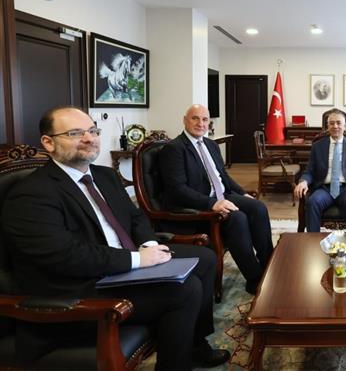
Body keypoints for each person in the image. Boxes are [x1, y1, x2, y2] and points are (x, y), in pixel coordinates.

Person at [0, 106, 229, 370]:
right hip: (80, 290)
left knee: (205, 259)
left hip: (120, 265)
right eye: (75, 133)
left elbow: (135, 217)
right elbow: (65, 256)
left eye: (93, 131)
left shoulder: (104, 175)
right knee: (185, 291)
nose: (89, 138)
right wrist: (138, 260)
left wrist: (150, 245)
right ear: (48, 142)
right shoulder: (31, 193)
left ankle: (194, 346)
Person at [159, 104, 273, 295]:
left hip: (222, 195)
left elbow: (223, 177)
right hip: (199, 206)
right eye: (195, 118)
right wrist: (212, 203)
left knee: (258, 207)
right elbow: (177, 190)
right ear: (185, 120)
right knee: (238, 218)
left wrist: (242, 193)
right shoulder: (174, 149)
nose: (201, 123)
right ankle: (254, 278)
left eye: (205, 119)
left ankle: (269, 265)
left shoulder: (211, 145)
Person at [294, 108, 346, 231]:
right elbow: (310, 170)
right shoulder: (318, 146)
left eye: (339, 123)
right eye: (331, 123)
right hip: (324, 188)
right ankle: (313, 240)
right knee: (313, 202)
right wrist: (303, 182)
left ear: (345, 126)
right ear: (327, 126)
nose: (335, 126)